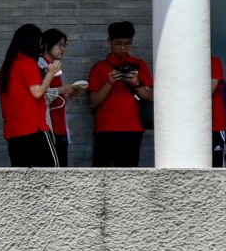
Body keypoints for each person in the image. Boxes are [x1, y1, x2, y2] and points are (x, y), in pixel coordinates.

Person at [87, 20, 153, 167]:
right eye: (118, 44)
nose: (123, 48)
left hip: (133, 128)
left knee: (129, 172)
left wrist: (136, 83)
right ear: (109, 42)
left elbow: (148, 97)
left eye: (128, 44)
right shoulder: (99, 68)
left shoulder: (139, 64)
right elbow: (93, 103)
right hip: (105, 129)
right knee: (101, 172)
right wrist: (109, 83)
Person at [0, 23, 60, 166]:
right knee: (52, 175)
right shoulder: (27, 63)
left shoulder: (6, 67)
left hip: (14, 133)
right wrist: (51, 73)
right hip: (34, 129)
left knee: (21, 178)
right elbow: (37, 92)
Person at [39, 29, 83, 167]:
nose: (63, 49)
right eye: (59, 45)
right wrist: (61, 90)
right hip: (48, 127)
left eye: (64, 45)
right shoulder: (39, 66)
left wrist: (69, 95)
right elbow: (40, 96)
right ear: (47, 45)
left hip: (60, 126)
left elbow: (58, 102)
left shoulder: (55, 67)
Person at [212, 53, 226, 168]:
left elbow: (207, 90)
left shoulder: (213, 62)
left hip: (215, 126)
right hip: (194, 128)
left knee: (217, 167)